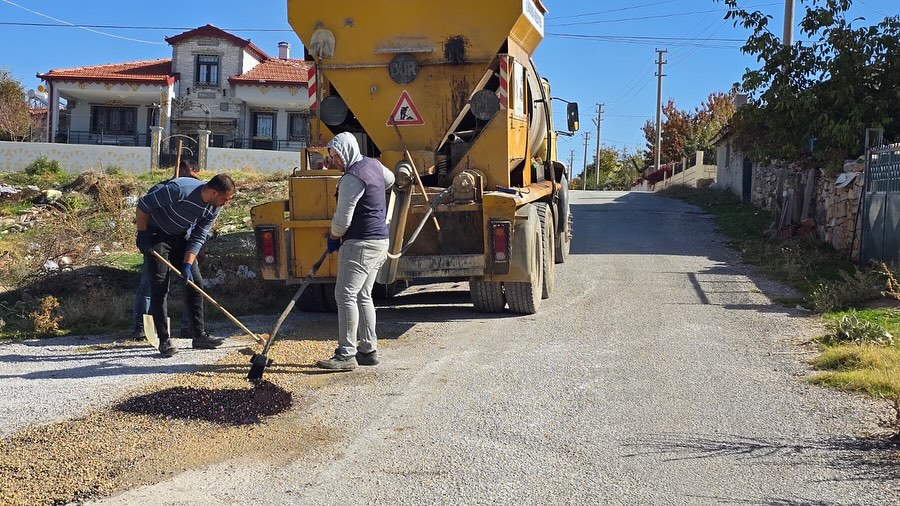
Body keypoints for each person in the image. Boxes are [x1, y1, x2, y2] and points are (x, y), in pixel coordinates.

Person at [316, 132, 394, 370]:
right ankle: (368, 350)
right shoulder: (375, 165)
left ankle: (346, 354)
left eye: (336, 156)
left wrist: (333, 237)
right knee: (363, 295)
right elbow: (390, 180)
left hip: (360, 243)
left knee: (345, 295)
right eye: (331, 157)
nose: (333, 161)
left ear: (346, 151)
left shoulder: (352, 178)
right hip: (380, 241)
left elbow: (342, 220)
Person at [135, 173, 236, 357]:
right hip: (157, 234)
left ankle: (199, 336)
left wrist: (188, 264)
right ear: (214, 192)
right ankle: (164, 341)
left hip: (180, 237)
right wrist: (142, 234)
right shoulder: (179, 190)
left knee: (195, 283)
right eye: (225, 198)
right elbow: (144, 205)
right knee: (159, 284)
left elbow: (198, 236)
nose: (225, 203)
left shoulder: (213, 208)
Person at [132, 160, 202, 340]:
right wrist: (143, 236)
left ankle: (189, 327)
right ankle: (140, 327)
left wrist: (194, 252)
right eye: (193, 174)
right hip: (157, 240)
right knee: (152, 283)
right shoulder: (164, 189)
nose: (195, 180)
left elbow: (197, 227)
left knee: (191, 282)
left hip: (183, 241)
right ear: (184, 169)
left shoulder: (198, 194)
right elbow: (146, 209)